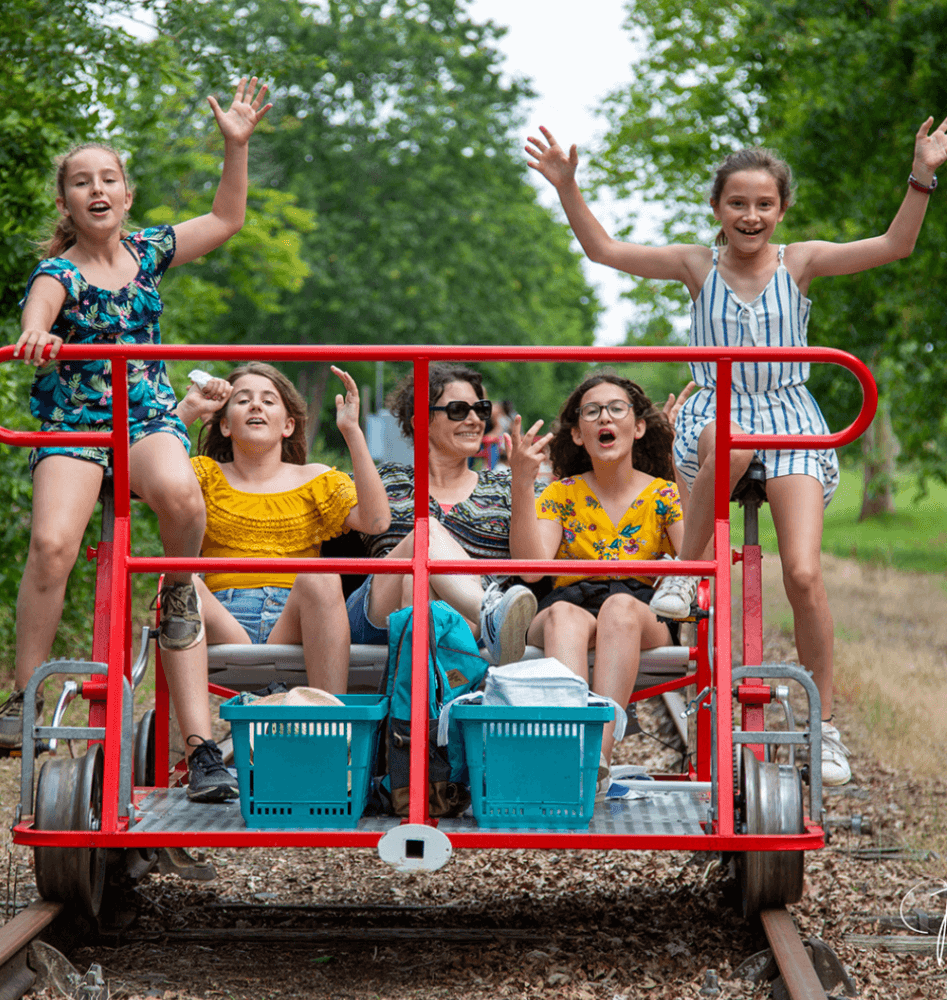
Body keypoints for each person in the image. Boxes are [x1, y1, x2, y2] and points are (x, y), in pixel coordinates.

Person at [526, 117, 947, 786]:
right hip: (718, 417)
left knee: (803, 574)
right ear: (717, 208)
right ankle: (686, 571)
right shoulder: (698, 265)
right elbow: (604, 251)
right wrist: (567, 187)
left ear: (782, 209)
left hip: (789, 417)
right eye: (737, 203)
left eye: (764, 204)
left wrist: (921, 174)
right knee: (729, 440)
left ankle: (824, 725)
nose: (751, 216)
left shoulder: (799, 261)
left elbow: (896, 245)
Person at [0, 77, 274, 751]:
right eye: (81, 182)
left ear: (126, 195)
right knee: (52, 545)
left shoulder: (148, 252)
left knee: (182, 496)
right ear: (66, 202)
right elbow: (38, 314)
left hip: (145, 419)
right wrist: (36, 336)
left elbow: (226, 220)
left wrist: (235, 146)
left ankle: (178, 591)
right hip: (77, 427)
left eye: (108, 179)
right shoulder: (58, 274)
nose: (97, 189)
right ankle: (26, 693)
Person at [159, 362, 390, 801]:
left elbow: (377, 521)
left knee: (321, 578)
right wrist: (189, 409)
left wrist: (352, 432)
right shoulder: (203, 473)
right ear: (224, 424)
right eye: (242, 400)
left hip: (294, 620)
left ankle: (327, 742)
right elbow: (138, 479)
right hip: (225, 619)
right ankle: (203, 757)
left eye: (268, 400)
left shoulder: (316, 478)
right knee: (177, 577)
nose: (255, 406)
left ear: (288, 425)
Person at [509, 374, 683, 799]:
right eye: (592, 411)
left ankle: (593, 760)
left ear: (638, 427)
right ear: (577, 434)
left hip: (638, 608)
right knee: (563, 616)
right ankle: (574, 749)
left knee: (619, 608)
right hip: (571, 601)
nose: (605, 417)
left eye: (616, 408)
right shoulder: (560, 494)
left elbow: (698, 555)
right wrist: (521, 483)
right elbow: (532, 571)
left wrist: (682, 459)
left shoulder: (664, 494)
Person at [346, 364, 536, 665]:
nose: (475, 420)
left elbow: (533, 568)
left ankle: (422, 695)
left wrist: (522, 484)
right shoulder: (385, 482)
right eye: (459, 410)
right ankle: (489, 612)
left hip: (465, 630)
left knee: (419, 587)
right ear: (421, 421)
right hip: (378, 616)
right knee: (426, 534)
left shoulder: (505, 487)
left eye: (481, 410)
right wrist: (351, 432)